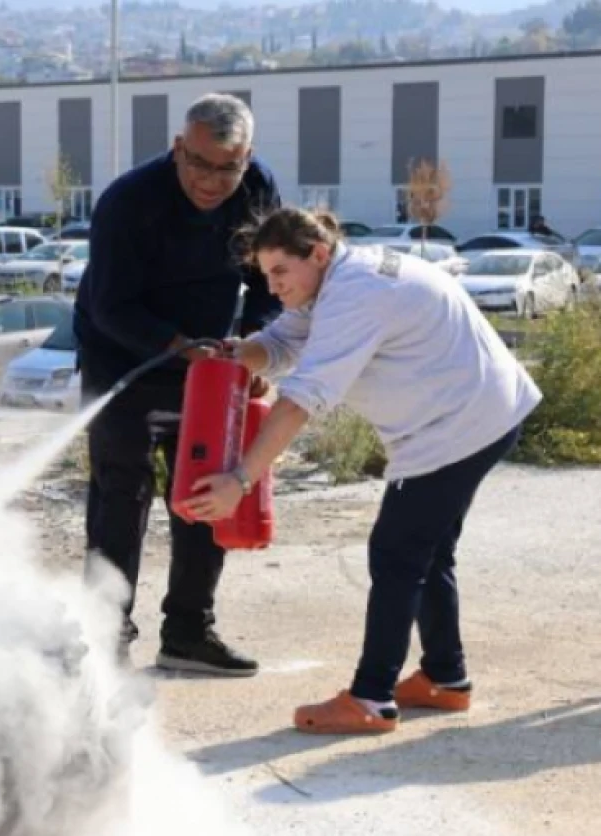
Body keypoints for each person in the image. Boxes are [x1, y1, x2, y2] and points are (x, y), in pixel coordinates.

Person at [181, 208, 542, 734]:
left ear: (318, 253)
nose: (273, 286)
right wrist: (235, 357)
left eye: (280, 271)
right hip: (477, 412)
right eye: (265, 275)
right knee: (427, 549)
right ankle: (446, 679)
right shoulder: (332, 282)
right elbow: (280, 345)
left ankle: (371, 699)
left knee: (395, 552)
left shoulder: (355, 293)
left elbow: (300, 400)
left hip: (458, 426)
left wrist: (240, 480)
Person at [74, 93, 282, 675]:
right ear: (178, 148)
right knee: (121, 490)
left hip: (212, 363)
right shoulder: (128, 202)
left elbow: (269, 281)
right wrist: (177, 347)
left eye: (228, 167)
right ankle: (104, 631)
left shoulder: (258, 188)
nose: (213, 181)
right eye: (200, 164)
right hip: (123, 356)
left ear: (248, 159)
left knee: (205, 492)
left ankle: (190, 631)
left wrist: (257, 347)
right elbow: (112, 305)